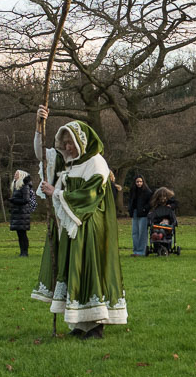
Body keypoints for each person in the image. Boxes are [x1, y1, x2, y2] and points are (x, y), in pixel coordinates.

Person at [31, 105, 127, 338]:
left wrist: (56, 192)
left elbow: (89, 196)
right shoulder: (69, 162)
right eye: (64, 142)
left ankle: (95, 325)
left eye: (70, 142)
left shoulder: (95, 163)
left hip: (90, 229)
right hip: (73, 227)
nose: (66, 147)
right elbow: (41, 155)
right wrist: (39, 125)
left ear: (81, 142)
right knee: (73, 271)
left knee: (88, 270)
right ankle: (79, 324)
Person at [9, 169, 38, 257]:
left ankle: (25, 252)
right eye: (15, 173)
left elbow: (26, 200)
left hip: (23, 213)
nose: (15, 175)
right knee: (19, 234)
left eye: (17, 174)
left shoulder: (25, 186)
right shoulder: (16, 186)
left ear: (21, 175)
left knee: (22, 234)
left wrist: (14, 200)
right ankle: (22, 252)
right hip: (18, 213)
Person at [128, 175, 153, 257]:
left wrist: (144, 209)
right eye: (137, 182)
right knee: (135, 232)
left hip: (143, 215)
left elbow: (150, 203)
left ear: (143, 182)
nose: (139, 183)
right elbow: (130, 201)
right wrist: (130, 209)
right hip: (134, 213)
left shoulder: (147, 192)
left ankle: (141, 251)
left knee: (142, 233)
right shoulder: (133, 191)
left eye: (140, 181)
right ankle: (136, 251)